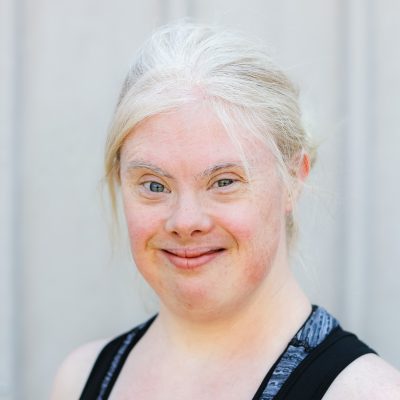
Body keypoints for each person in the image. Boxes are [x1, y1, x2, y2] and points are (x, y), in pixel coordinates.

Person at [51, 22, 400, 399]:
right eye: (154, 185)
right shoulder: (81, 380)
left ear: (294, 179)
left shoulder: (363, 392)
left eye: (224, 182)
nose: (185, 221)